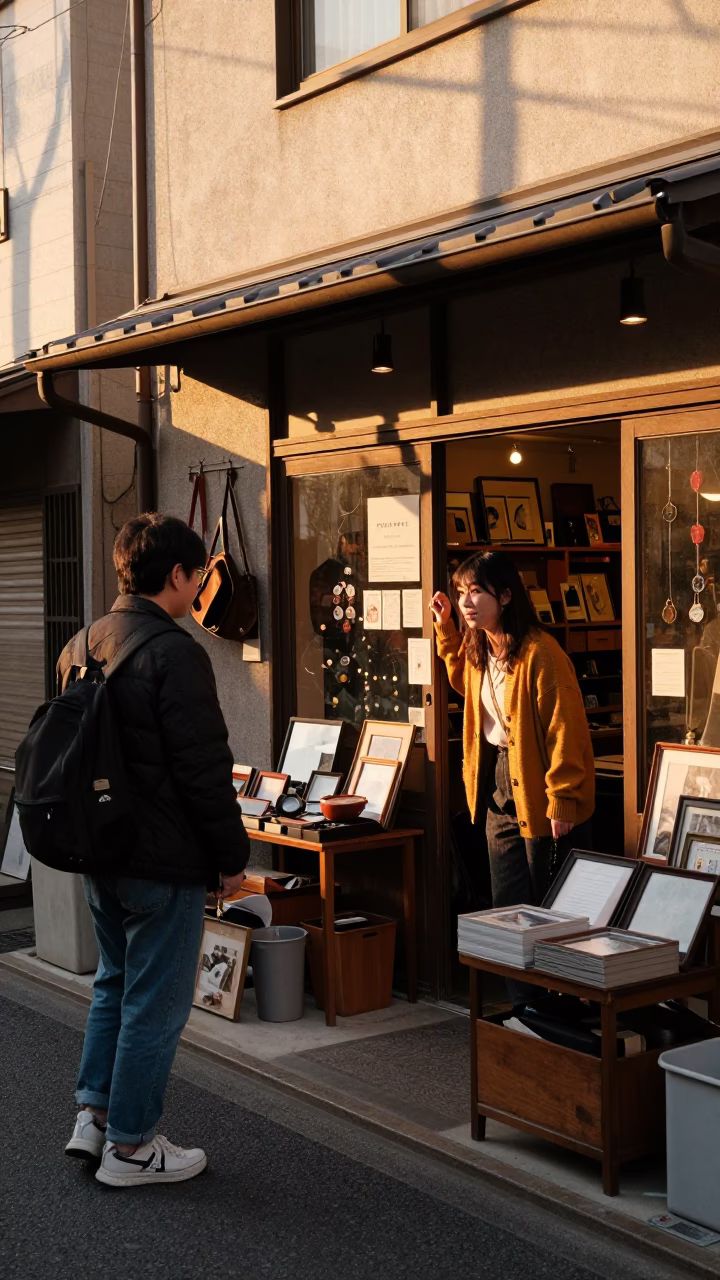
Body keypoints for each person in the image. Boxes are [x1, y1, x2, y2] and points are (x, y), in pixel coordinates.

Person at [61, 513, 250, 1187]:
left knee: (114, 984)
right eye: (198, 577)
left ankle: (95, 1118)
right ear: (176, 576)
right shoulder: (175, 652)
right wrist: (232, 855)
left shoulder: (82, 643)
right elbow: (203, 768)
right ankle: (133, 1150)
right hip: (161, 861)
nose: (199, 589)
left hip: (99, 853)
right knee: (155, 1002)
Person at [431, 550, 594, 978]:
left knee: (545, 907)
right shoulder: (479, 647)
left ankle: (554, 1001)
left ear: (504, 596)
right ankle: (523, 1009)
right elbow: (461, 680)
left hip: (537, 782)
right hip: (497, 783)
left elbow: (566, 730)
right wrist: (445, 628)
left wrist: (562, 798)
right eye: (462, 592)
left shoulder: (542, 653)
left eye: (477, 592)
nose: (466, 601)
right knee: (507, 907)